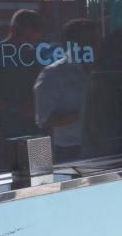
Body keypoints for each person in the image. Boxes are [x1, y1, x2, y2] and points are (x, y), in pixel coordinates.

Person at [33, 19, 98, 162]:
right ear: (73, 43)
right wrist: (84, 113)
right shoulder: (53, 73)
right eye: (89, 41)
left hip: (103, 146)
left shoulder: (101, 70)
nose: (94, 45)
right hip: (70, 150)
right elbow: (44, 120)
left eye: (95, 40)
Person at [0, 9, 44, 170]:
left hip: (37, 134)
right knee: (5, 189)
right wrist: (16, 107)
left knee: (41, 184)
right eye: (24, 36)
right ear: (13, 29)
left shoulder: (37, 56)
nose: (28, 42)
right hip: (8, 136)